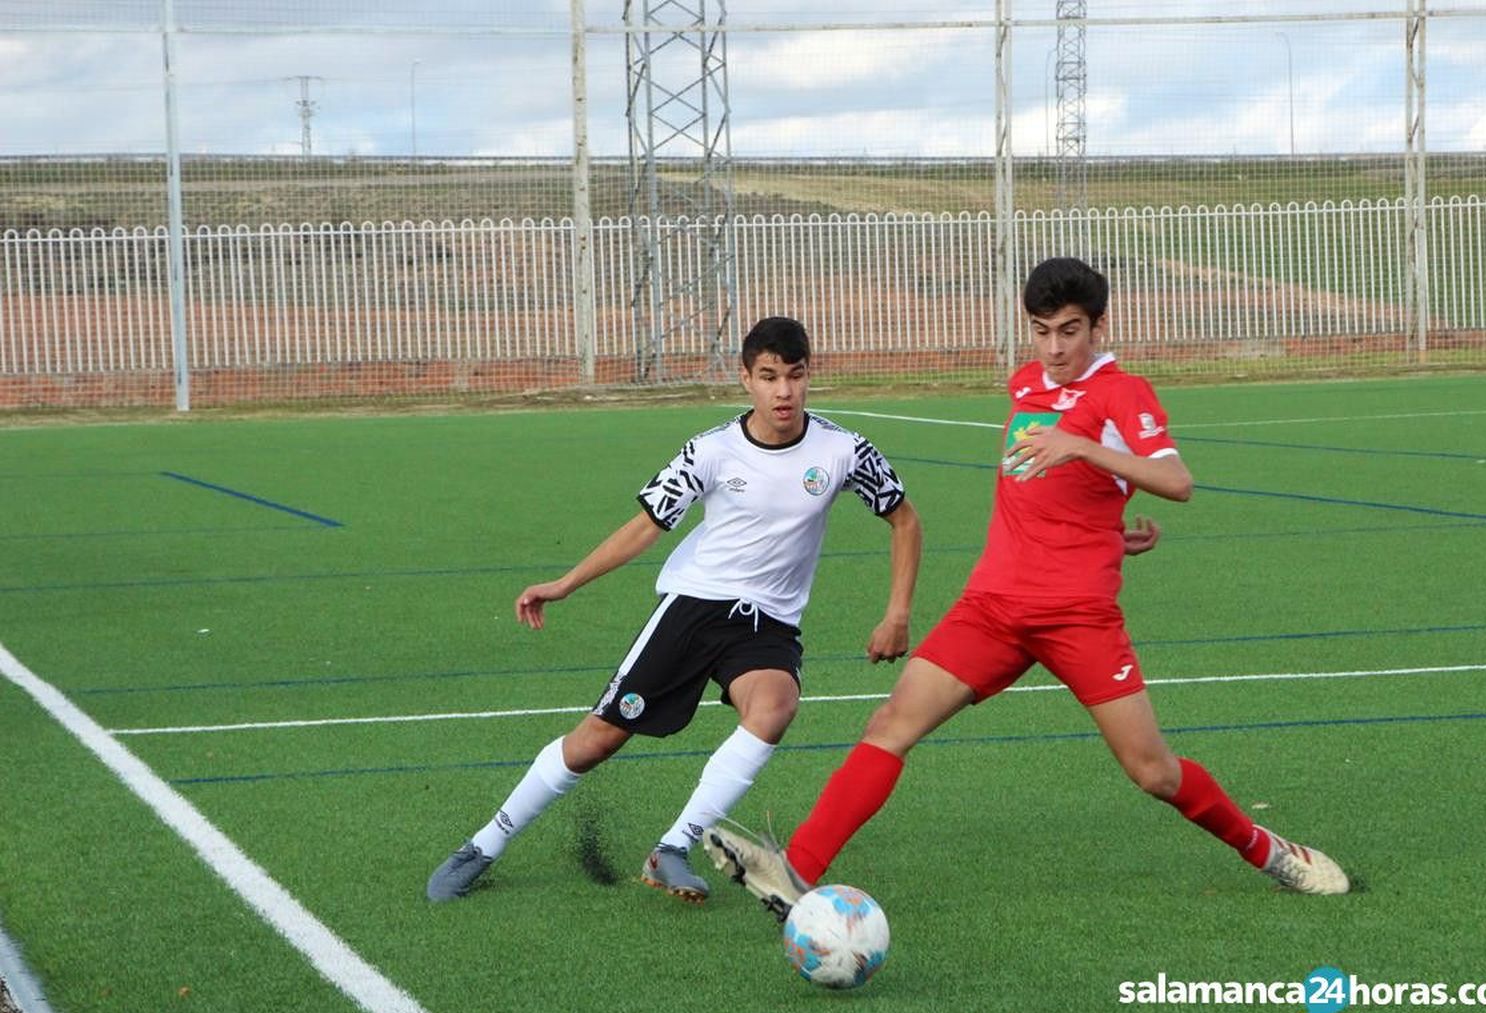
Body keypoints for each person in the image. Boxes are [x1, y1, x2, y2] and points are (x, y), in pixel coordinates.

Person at [703, 257, 1350, 917]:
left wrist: (1086, 449)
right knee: (891, 722)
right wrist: (1103, 523)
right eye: (1041, 331)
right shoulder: (1024, 383)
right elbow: (1041, 486)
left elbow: (1177, 480)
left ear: (1099, 325)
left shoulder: (1123, 392)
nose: (1055, 348)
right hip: (992, 605)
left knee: (1152, 771)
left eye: (1070, 331)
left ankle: (1269, 850)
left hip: (1079, 617)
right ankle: (795, 870)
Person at [425, 315, 924, 903]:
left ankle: (673, 848)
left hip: (769, 623)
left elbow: (904, 519)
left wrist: (896, 612)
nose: (784, 392)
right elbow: (644, 528)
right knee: (597, 740)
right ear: (746, 379)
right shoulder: (711, 452)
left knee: (775, 707)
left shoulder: (844, 450)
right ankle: (485, 842)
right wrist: (566, 583)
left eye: (795, 375)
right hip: (694, 607)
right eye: (769, 377)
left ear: (809, 375)